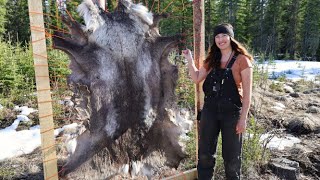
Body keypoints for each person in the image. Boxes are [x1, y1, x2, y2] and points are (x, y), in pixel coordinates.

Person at [182, 23, 253, 180]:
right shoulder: (212, 59)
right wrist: (189, 59)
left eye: (224, 36)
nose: (221, 39)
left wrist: (243, 119)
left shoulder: (242, 60)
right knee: (205, 154)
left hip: (232, 114)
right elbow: (196, 78)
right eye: (217, 36)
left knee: (232, 157)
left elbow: (248, 94)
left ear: (230, 37)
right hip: (210, 111)